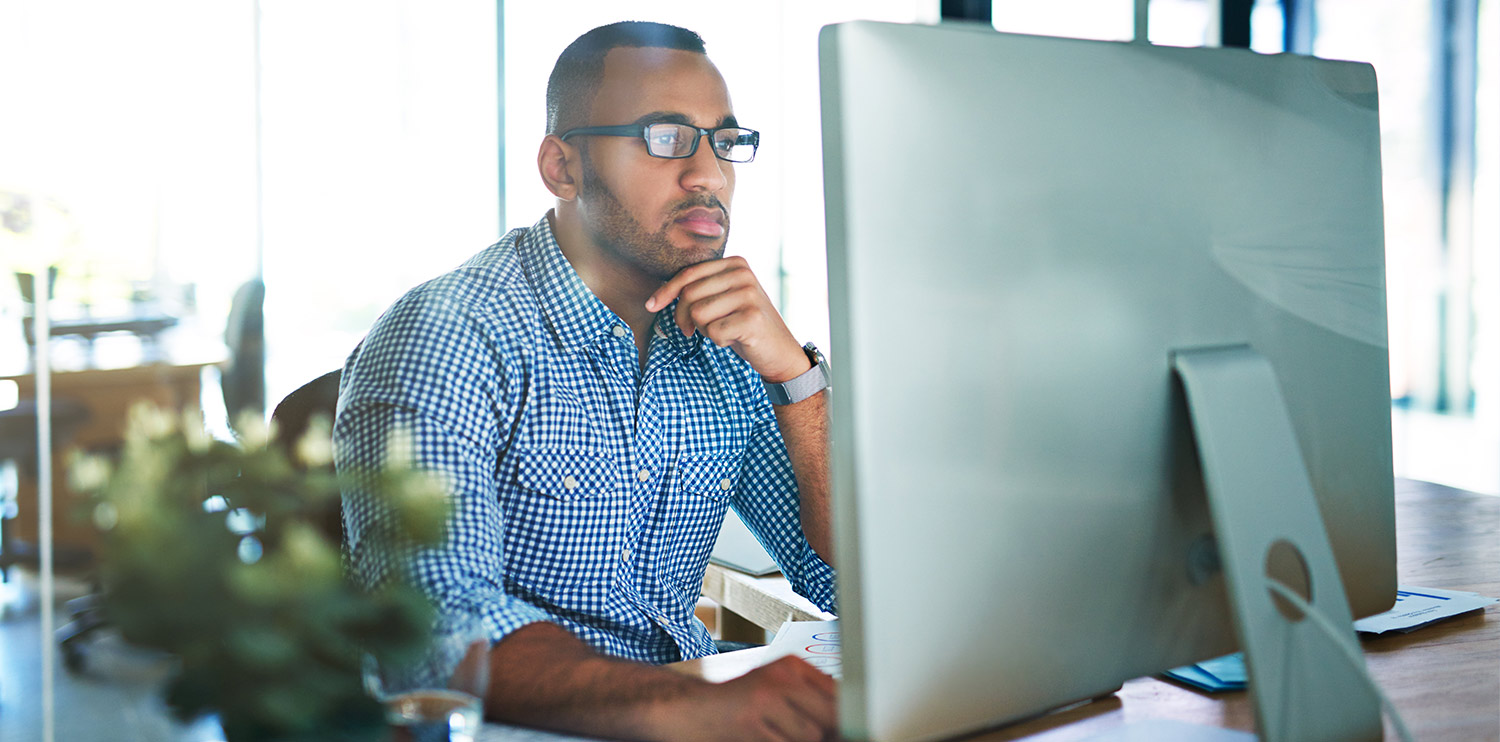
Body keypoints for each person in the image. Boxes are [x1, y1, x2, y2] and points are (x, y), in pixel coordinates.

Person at [335, 21, 839, 742]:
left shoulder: (732, 345)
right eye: (665, 138)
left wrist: (796, 377)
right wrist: (691, 706)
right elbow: (434, 638)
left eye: (724, 142)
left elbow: (847, 582)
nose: (708, 176)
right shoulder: (448, 336)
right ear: (562, 168)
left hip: (690, 712)